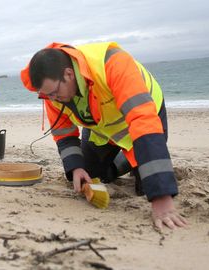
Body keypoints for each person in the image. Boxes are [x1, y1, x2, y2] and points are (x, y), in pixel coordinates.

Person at [20, 42, 187, 231]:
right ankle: (127, 161)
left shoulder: (113, 63)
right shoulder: (51, 92)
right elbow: (63, 132)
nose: (52, 99)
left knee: (146, 188)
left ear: (69, 74)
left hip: (146, 116)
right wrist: (76, 168)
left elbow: (143, 123)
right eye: (46, 95)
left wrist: (162, 199)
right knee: (92, 176)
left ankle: (137, 161)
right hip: (101, 128)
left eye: (54, 93)